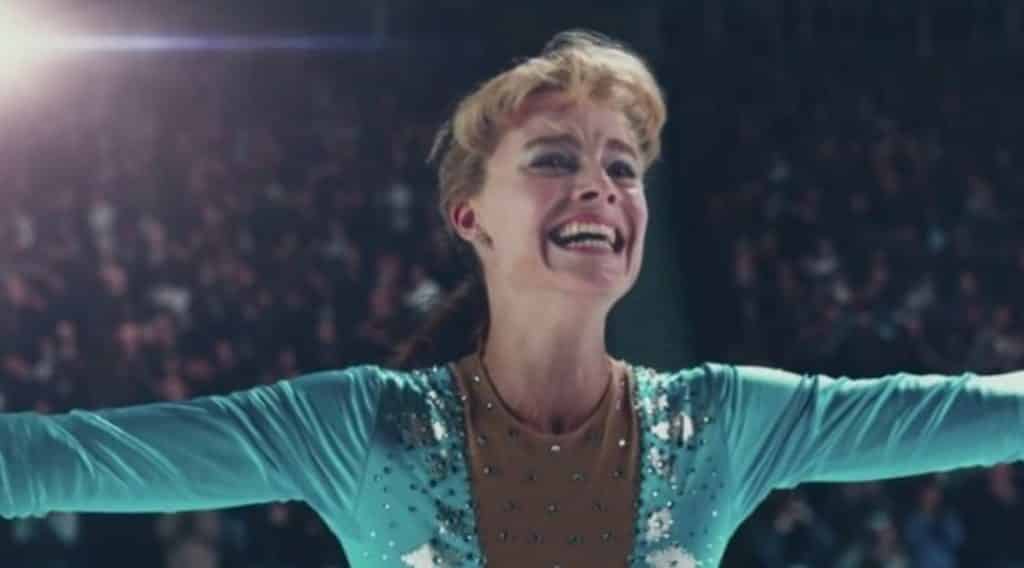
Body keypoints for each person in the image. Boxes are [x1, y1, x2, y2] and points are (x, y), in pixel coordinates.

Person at [2, 29, 1024, 568]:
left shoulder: (721, 422)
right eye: (554, 159)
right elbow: (52, 461)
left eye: (622, 168)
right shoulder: (360, 427)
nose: (602, 187)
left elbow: (981, 410)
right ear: (470, 216)